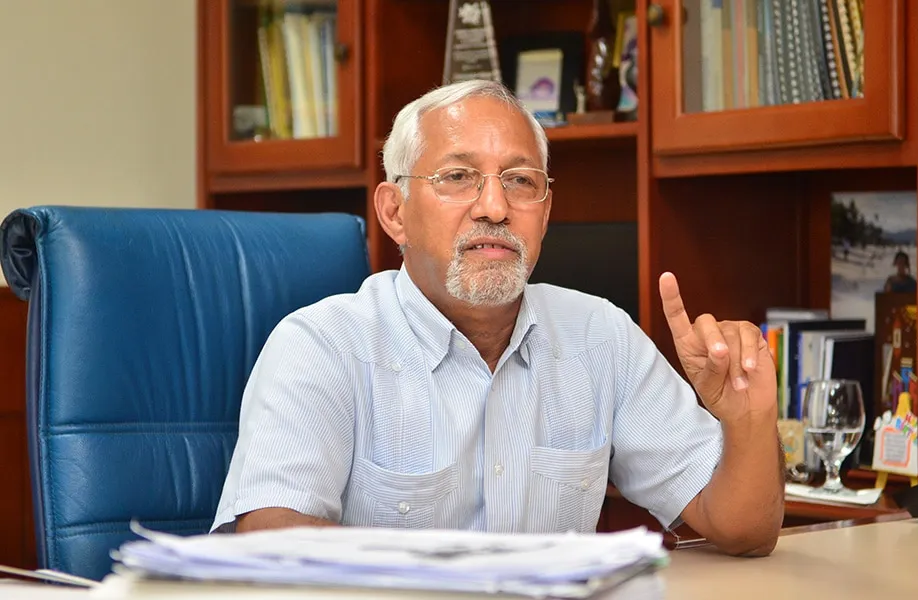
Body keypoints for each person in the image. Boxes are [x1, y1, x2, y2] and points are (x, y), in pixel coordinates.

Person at [210, 80, 783, 556]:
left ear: (545, 213)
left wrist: (748, 419)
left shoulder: (600, 337)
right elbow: (272, 541)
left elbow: (744, 529)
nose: (494, 207)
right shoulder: (320, 345)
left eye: (520, 181)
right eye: (458, 177)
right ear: (394, 212)